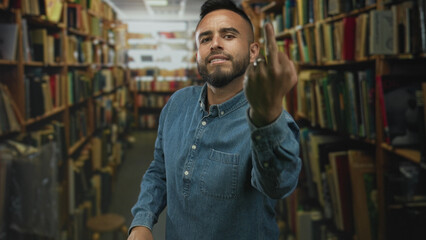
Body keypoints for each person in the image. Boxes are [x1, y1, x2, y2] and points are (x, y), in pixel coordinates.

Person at [128, 0, 301, 239]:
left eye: (229, 35)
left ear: (253, 52)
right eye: (205, 39)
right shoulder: (177, 104)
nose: (215, 44)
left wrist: (267, 117)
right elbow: (160, 170)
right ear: (197, 53)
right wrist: (142, 222)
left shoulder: (272, 121)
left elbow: (278, 186)